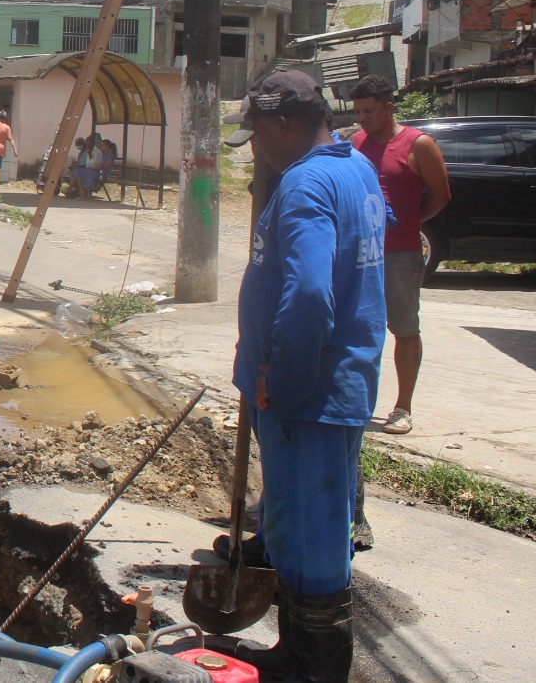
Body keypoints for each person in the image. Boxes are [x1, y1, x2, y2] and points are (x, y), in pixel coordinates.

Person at [223, 70, 387, 683]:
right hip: (338, 383)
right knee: (309, 522)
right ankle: (298, 653)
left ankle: (312, 666)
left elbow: (313, 293)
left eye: (260, 134)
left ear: (284, 125)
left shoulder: (308, 184)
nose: (258, 148)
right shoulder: (356, 171)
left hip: (308, 393)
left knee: (312, 534)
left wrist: (279, 380)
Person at [349, 75, 449, 437]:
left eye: (369, 111)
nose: (362, 118)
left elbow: (441, 195)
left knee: (404, 327)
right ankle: (357, 401)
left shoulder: (418, 144)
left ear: (389, 107)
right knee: (359, 326)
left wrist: (411, 222)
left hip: (401, 252)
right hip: (362, 250)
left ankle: (403, 407)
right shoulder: (357, 142)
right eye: (358, 111)